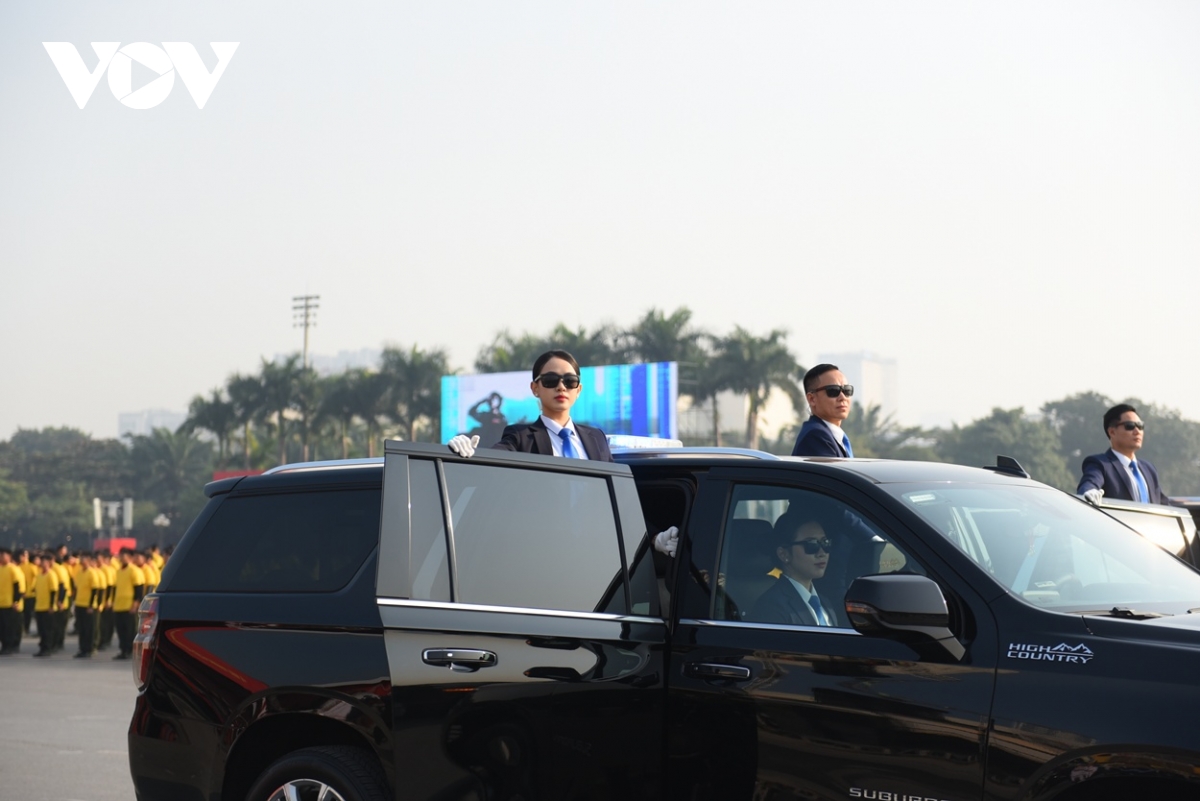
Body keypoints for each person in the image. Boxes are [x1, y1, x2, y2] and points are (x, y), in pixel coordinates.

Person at [448, 349, 678, 556]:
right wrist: (464, 454)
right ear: (535, 388)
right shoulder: (521, 438)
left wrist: (654, 538)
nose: (561, 387)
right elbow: (488, 468)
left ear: (578, 389)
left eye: (569, 381)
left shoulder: (596, 438)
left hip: (600, 558)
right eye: (550, 380)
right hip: (544, 557)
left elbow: (619, 500)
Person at [750, 514, 840, 627]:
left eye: (825, 542)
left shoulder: (825, 603)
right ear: (783, 554)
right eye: (811, 545)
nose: (822, 553)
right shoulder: (771, 607)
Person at [1078, 404, 1170, 505]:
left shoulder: (1149, 469)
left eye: (1140, 426)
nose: (1137, 431)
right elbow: (1090, 484)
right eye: (1130, 426)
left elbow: (1164, 504)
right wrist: (1089, 492)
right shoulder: (1100, 464)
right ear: (1112, 432)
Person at [791, 363, 855, 457]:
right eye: (833, 390)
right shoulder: (816, 436)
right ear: (812, 399)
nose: (843, 397)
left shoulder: (834, 437)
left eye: (847, 390)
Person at [0, 548, 26, 655]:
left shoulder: (13, 569)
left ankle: (10, 646)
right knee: (2, 628)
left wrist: (16, 601)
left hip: (10, 604)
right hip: (1, 603)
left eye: (3, 555)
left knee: (10, 627)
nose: (1, 557)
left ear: (9, 556)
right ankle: (4, 646)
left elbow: (17, 587)